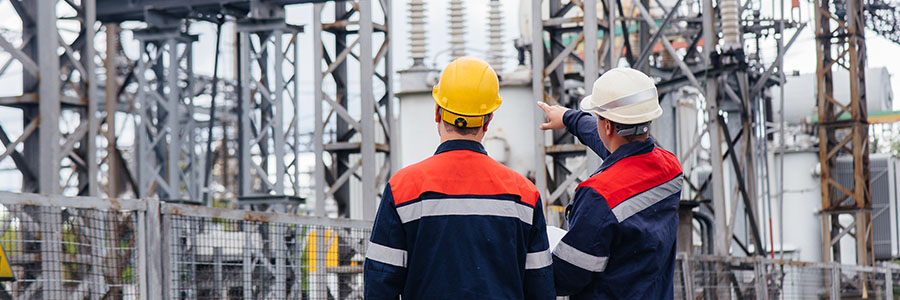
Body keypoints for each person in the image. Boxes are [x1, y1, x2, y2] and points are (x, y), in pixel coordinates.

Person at [364, 57, 555, 300]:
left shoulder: (403, 188)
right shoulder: (524, 194)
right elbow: (540, 289)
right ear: (488, 120)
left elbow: (379, 284)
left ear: (437, 112)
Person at [537, 67, 683, 299]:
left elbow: (567, 277)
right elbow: (621, 147)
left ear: (606, 126)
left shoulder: (598, 195)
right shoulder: (670, 168)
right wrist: (569, 118)